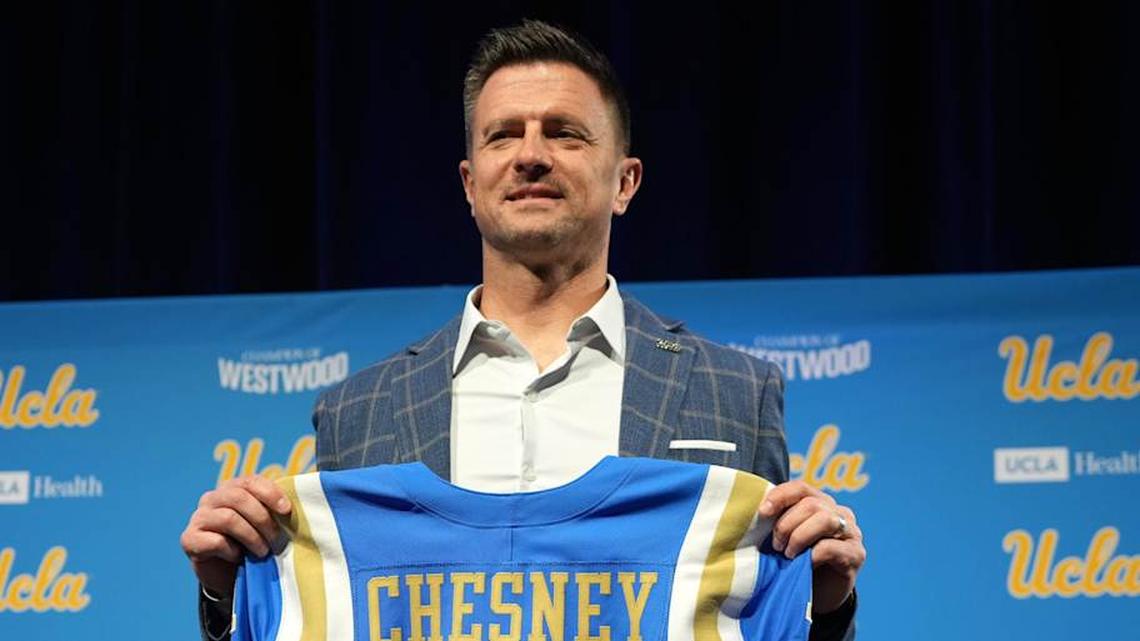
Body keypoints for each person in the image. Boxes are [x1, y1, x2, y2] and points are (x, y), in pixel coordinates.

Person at [181, 19, 865, 641]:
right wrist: (226, 591)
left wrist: (829, 602)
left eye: (565, 132)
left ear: (625, 182)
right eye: (502, 134)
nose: (530, 155)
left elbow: (772, 622)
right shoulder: (361, 408)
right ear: (469, 182)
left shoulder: (737, 390)